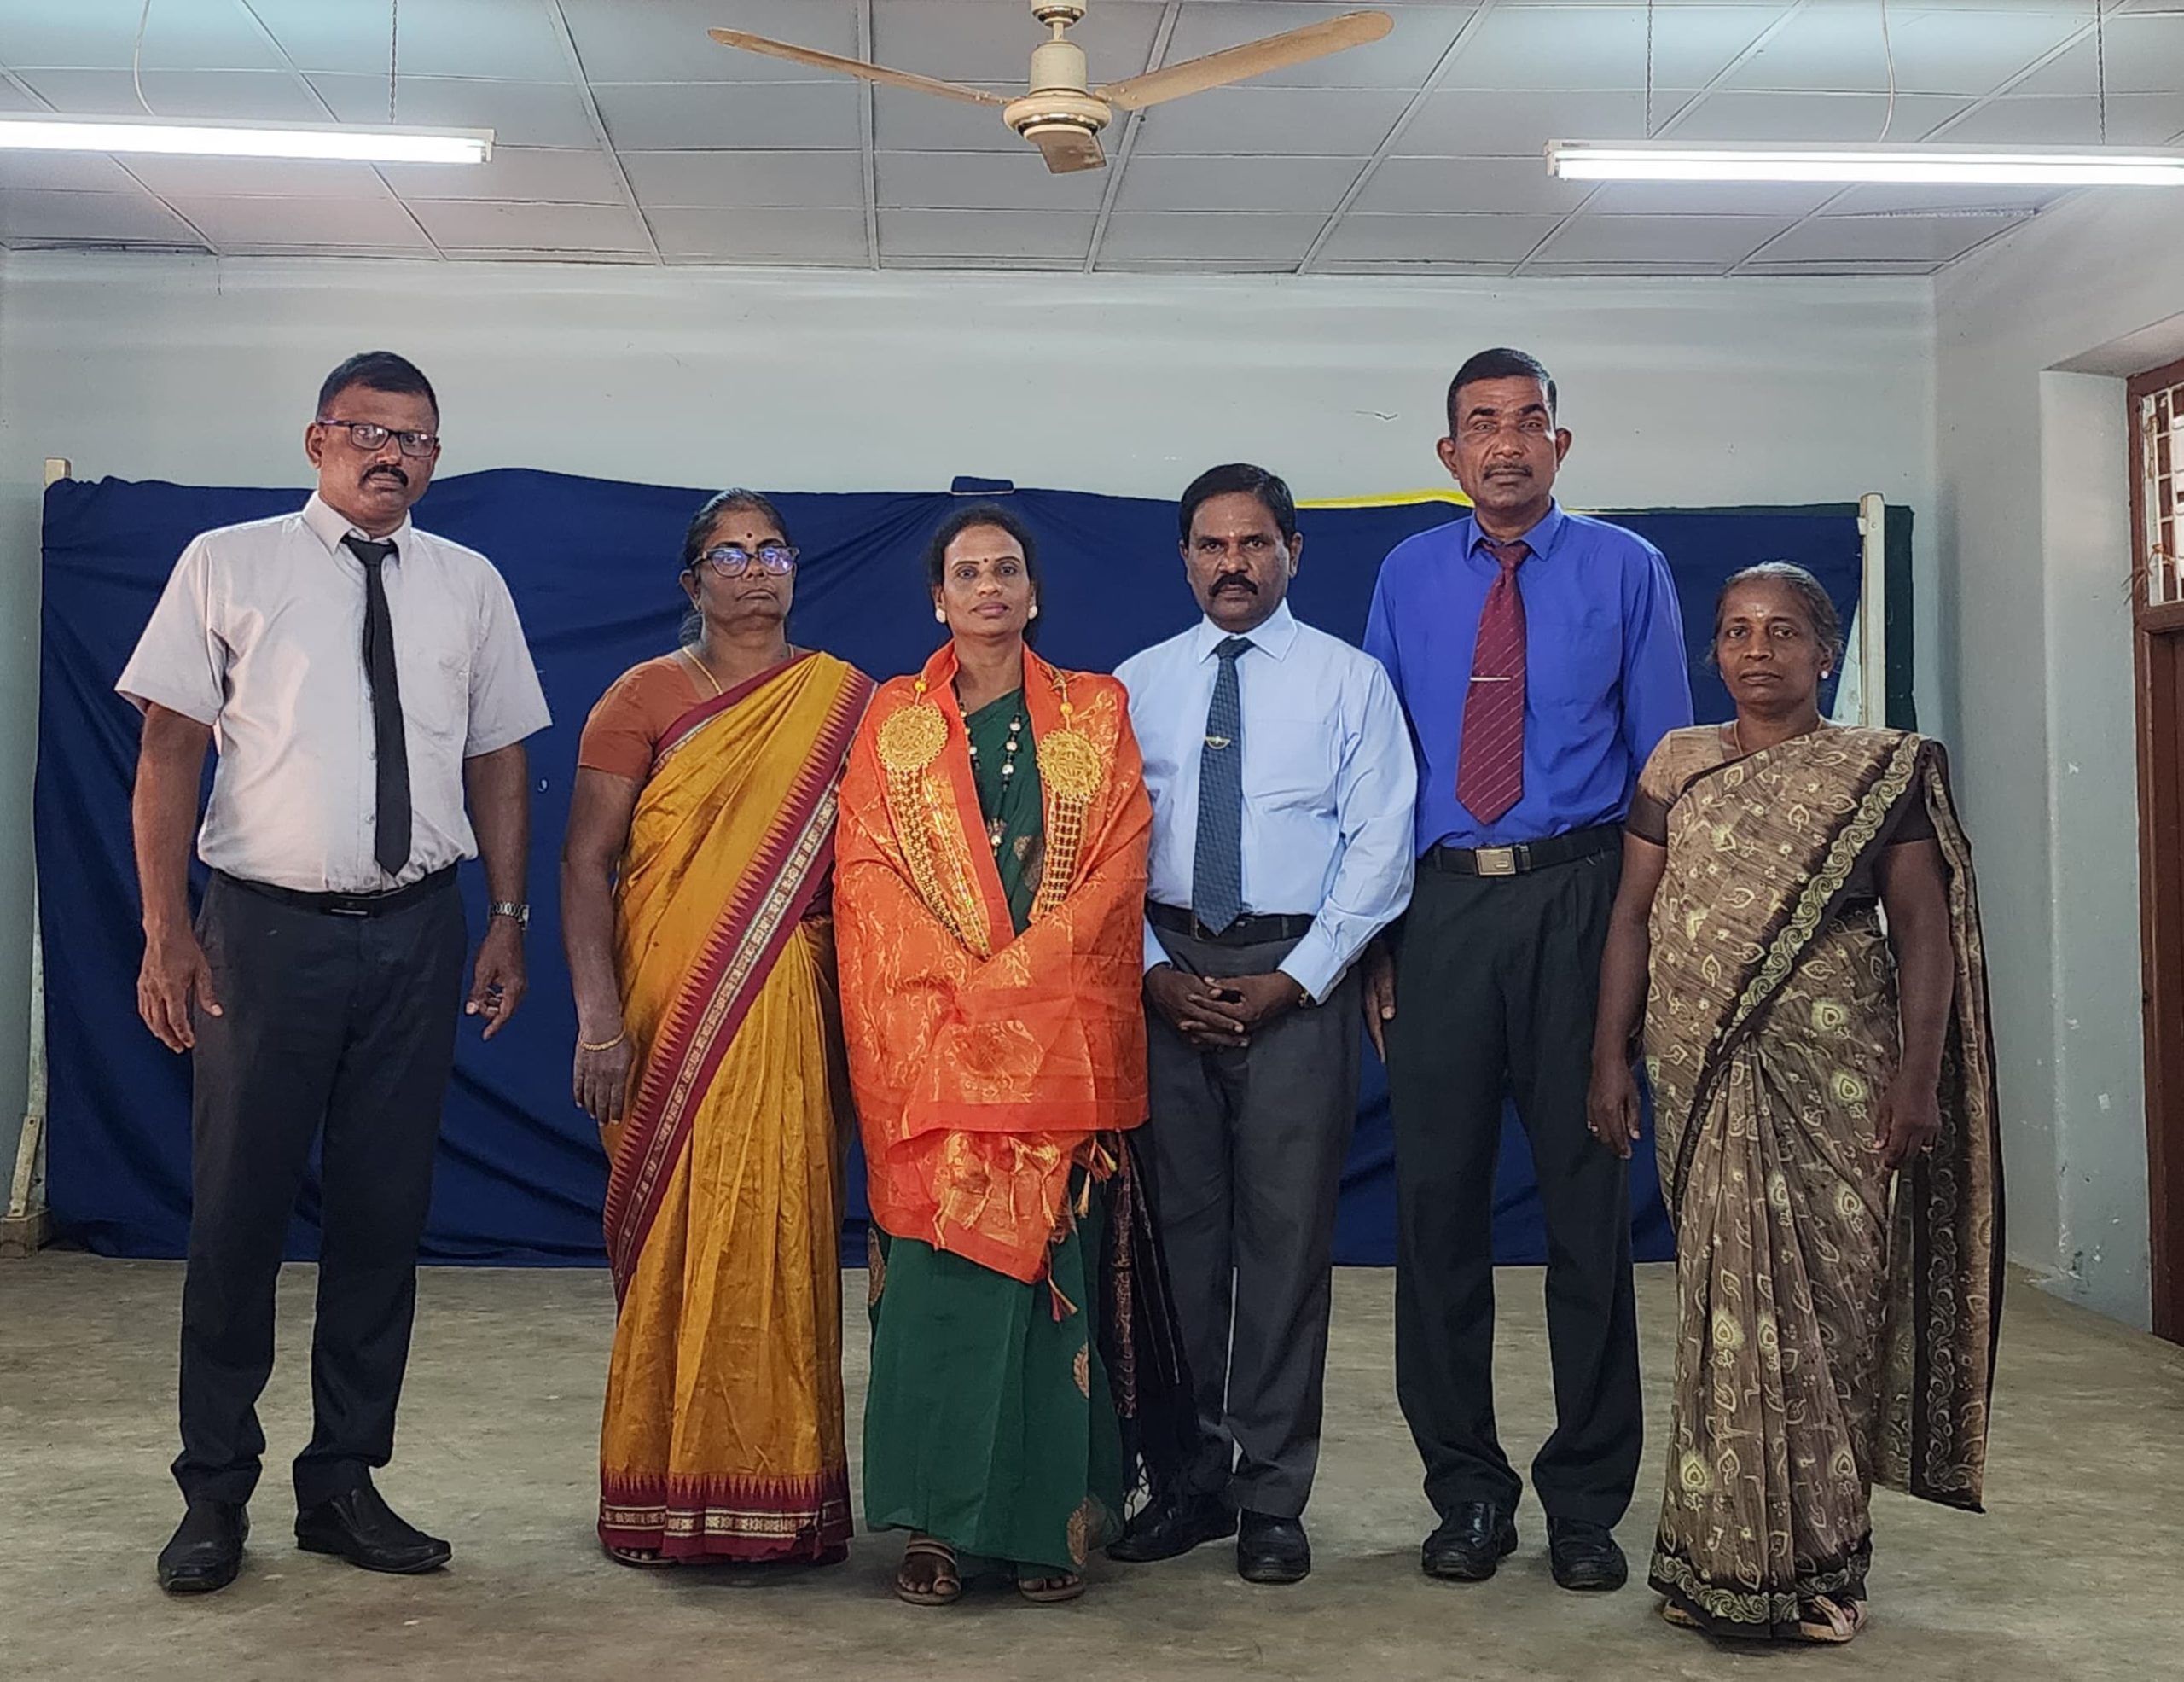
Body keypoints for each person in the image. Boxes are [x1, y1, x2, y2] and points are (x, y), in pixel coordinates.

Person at [120, 352, 552, 1594]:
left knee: (382, 1215)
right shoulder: (229, 562)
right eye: (369, 431)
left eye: (416, 439)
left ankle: (344, 1482)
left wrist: (505, 915)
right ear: (317, 440)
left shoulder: (469, 583)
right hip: (261, 934)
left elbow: (498, 759)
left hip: (417, 931)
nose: (392, 456)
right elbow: (169, 747)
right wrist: (165, 926)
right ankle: (214, 1490)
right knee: (237, 1211)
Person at [1587, 563, 2001, 1644]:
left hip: (1838, 1074)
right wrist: (1607, 1057)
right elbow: (1633, 916)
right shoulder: (1677, 763)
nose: (1756, 651)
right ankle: (1712, 1562)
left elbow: (1921, 932)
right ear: (1713, 653)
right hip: (1701, 1069)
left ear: (1825, 653)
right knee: (1725, 1315)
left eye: (1780, 632)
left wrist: (1918, 1077)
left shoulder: (1878, 769)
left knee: (1828, 1314)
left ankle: (1822, 1565)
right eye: (1735, 632)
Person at [1362, 346, 1693, 1592]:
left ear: (1561, 442)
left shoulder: (1626, 568)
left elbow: (1664, 772)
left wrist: (1646, 951)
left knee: (1586, 1212)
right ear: (1449, 453)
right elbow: (1377, 766)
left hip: (1580, 900)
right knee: (1435, 1211)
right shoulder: (1405, 573)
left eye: (1528, 419)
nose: (1506, 441)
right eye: (1481, 422)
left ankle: (1587, 1503)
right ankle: (1465, 1490)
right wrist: (1378, 934)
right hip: (1442, 907)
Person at [836, 503, 1158, 1607]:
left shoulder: (1096, 712)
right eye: (966, 572)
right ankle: (936, 1526)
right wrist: (966, 999)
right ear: (938, 599)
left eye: (1005, 569)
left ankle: (1040, 1527)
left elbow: (1118, 871)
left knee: (1046, 1288)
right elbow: (866, 876)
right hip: (930, 1052)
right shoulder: (892, 719)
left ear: (1033, 593)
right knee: (936, 1291)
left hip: (1053, 1048)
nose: (987, 587)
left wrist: (1015, 990)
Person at [1108, 464, 1414, 1585]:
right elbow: (1102, 852)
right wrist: (1152, 973)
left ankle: (1272, 1495)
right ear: (1184, 560)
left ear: (1293, 552)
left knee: (1284, 1249)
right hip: (1166, 978)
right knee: (1179, 1246)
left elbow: (1381, 845)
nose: (1232, 564)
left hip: (1297, 983)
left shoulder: (1350, 682)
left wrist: (1300, 976)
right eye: (1212, 545)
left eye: (1253, 543)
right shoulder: (1135, 686)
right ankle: (1189, 1479)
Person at [561, 491, 874, 1567]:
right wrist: (597, 1020)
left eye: (771, 551)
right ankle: (659, 1494)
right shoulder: (640, 696)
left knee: (778, 1233)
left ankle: (780, 1499)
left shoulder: (845, 701)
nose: (754, 571)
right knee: (676, 1241)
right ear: (691, 581)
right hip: (662, 1010)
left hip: (789, 1007)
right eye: (729, 555)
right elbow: (586, 865)